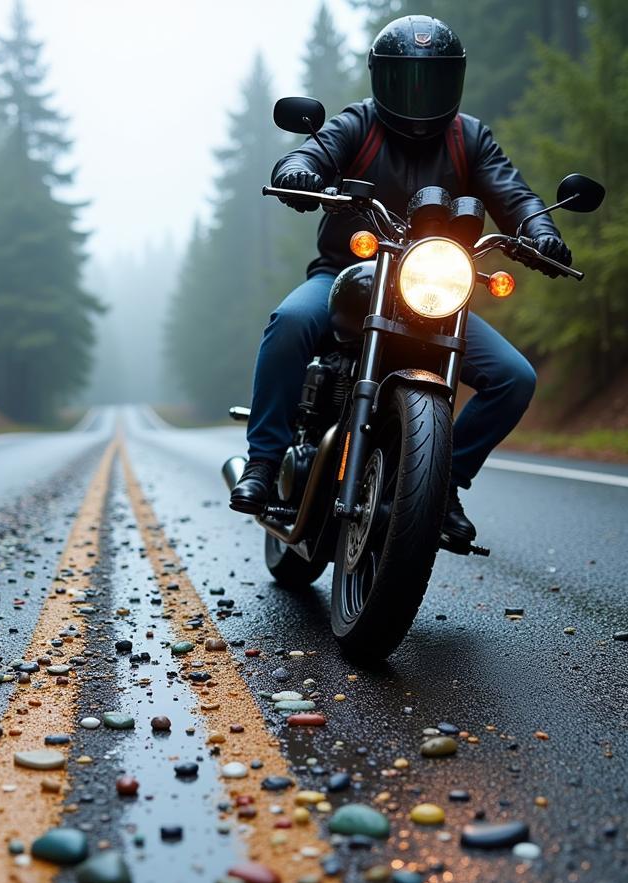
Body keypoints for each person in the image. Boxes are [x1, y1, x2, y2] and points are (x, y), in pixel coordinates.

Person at [229, 14, 571, 546]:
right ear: (380, 78)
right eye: (404, 78)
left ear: (452, 82)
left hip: (430, 289)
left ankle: (444, 483)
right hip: (346, 276)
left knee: (514, 378)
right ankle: (264, 463)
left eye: (430, 80)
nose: (417, 93)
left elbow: (516, 196)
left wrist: (540, 231)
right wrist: (296, 171)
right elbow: (312, 152)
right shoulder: (358, 124)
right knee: (291, 320)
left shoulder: (470, 138)